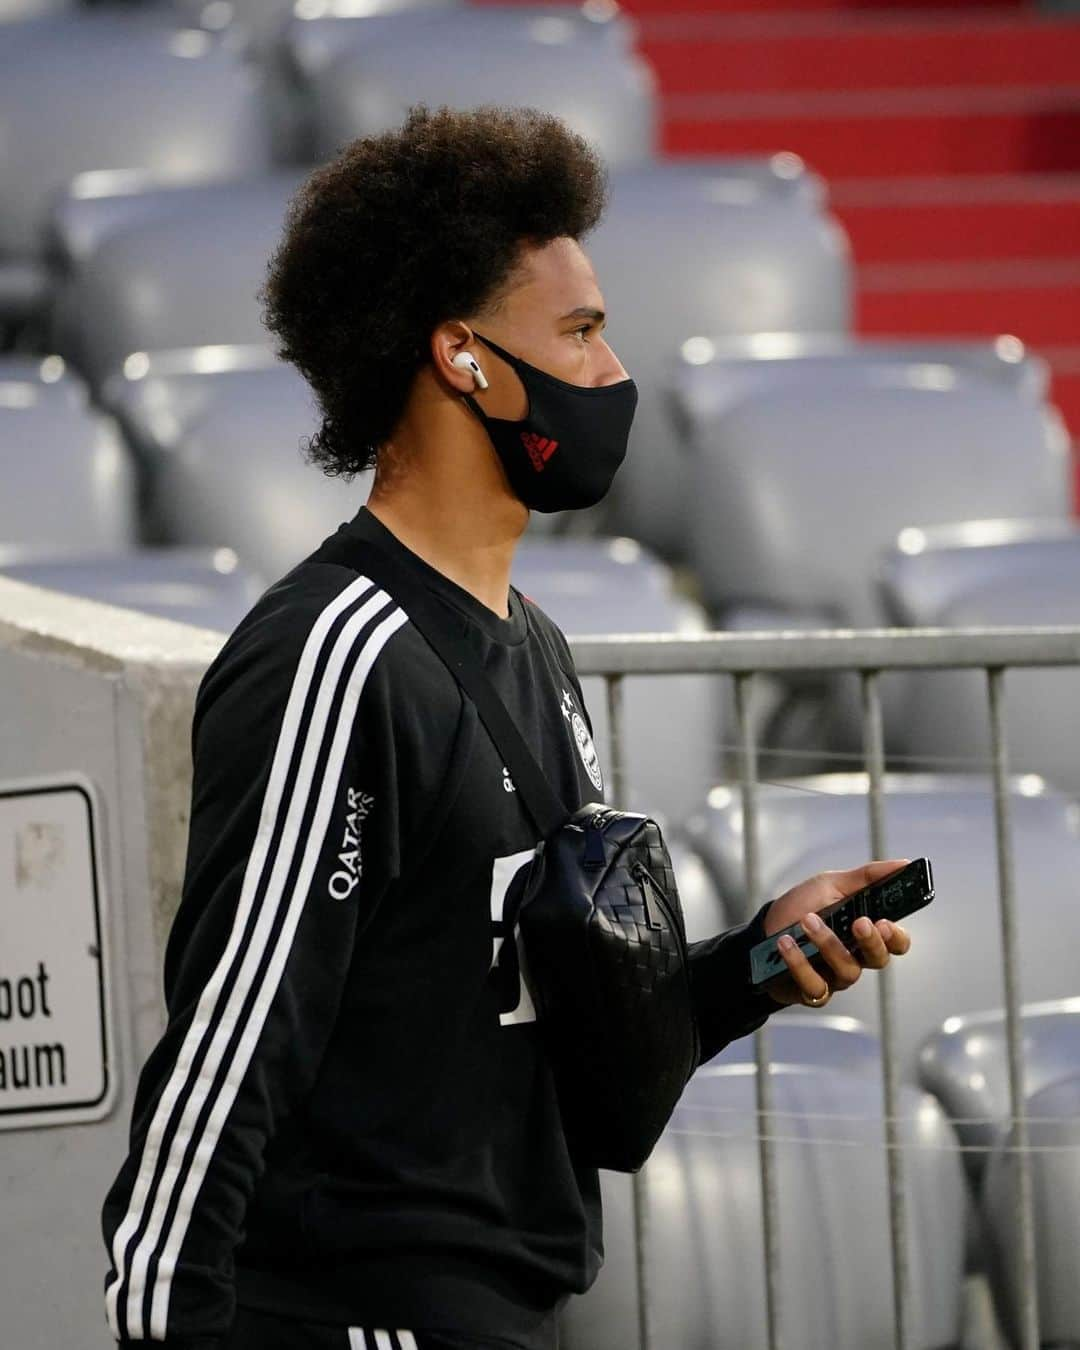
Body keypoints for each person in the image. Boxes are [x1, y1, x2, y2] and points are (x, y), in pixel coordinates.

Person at [101, 105, 912, 1350]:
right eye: (579, 331)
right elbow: (228, 1055)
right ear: (464, 358)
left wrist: (751, 969)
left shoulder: (531, 644)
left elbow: (536, 1042)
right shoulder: (338, 655)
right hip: (351, 1317)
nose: (610, 371)